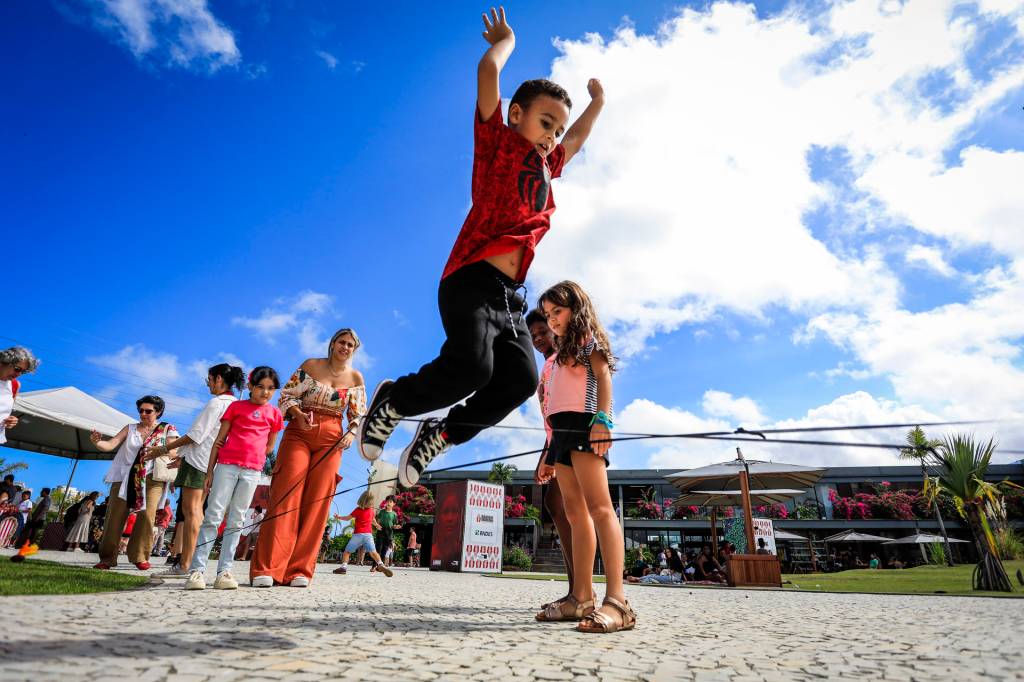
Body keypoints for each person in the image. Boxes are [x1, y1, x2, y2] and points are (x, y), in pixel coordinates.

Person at [358, 7, 605, 491]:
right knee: (472, 366)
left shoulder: (548, 163)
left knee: (516, 380)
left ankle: (441, 433)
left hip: (510, 296)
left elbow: (576, 139)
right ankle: (394, 401)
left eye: (556, 128)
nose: (552, 135)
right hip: (469, 278)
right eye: (545, 122)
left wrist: (598, 102)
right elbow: (488, 72)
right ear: (517, 115)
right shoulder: (499, 142)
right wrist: (505, 42)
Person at [533, 281, 633, 634]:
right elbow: (551, 404)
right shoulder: (558, 353)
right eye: (547, 315)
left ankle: (618, 601)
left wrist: (603, 419)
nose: (552, 320)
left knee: (601, 509)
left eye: (557, 312)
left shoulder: (586, 338)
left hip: (585, 425)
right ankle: (580, 598)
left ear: (576, 308)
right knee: (576, 515)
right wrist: (548, 453)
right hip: (559, 435)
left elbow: (603, 375)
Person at [251, 329, 366, 588]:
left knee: (318, 502)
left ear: (354, 349)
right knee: (285, 495)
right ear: (333, 344)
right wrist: (296, 413)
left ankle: (299, 570)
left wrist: (352, 432)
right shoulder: (311, 365)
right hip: (300, 431)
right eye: (341, 342)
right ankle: (268, 568)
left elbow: (358, 413)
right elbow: (288, 395)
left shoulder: (356, 377)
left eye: (350, 344)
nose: (345, 347)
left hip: (333, 438)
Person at [187, 367, 283, 591]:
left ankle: (225, 571)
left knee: (237, 520)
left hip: (252, 472)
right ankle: (197, 571)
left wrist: (256, 456)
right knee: (213, 516)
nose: (265, 392)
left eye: (270, 389)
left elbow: (270, 447)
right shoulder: (235, 407)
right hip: (227, 467)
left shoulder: (275, 414)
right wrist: (210, 471)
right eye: (260, 387)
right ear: (250, 386)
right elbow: (219, 440)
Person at [145, 363, 243, 578]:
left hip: (199, 462)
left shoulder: (216, 403)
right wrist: (182, 457)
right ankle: (191, 562)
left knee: (192, 513)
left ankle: (186, 564)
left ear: (218, 379)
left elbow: (196, 435)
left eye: (209, 379)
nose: (208, 384)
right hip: (214, 462)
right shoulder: (236, 404)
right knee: (199, 512)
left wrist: (162, 449)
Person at [527, 308, 579, 620]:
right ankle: (575, 589)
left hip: (572, 441)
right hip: (556, 441)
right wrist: (544, 456)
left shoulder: (563, 360)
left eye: (542, 332)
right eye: (532, 336)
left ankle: (579, 591)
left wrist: (551, 454)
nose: (537, 339)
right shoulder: (548, 366)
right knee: (556, 505)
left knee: (566, 508)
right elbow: (549, 421)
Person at [90, 395, 179, 570]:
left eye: (148, 411)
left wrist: (168, 455)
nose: (143, 414)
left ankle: (140, 556)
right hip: (125, 477)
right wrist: (97, 442)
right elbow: (110, 445)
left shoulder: (167, 429)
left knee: (146, 517)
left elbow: (173, 451)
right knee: (115, 516)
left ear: (158, 412)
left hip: (152, 478)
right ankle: (107, 558)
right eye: (141, 411)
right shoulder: (130, 428)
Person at [332, 491, 393, 577]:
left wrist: (338, 517)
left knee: (347, 551)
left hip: (358, 534)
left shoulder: (358, 510)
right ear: (371, 501)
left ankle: (343, 567)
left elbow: (347, 518)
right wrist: (377, 525)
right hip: (368, 535)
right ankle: (381, 564)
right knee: (373, 552)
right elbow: (373, 521)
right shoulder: (371, 511)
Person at [0, 346, 39, 447]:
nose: (18, 374)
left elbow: (4, 412)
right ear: (3, 361)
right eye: (17, 369)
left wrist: (11, 420)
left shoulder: (15, 385)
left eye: (23, 372)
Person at [375, 496, 400, 568]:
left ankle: (380, 567)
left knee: (384, 551)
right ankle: (374, 565)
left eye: (390, 502)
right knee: (378, 550)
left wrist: (396, 526)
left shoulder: (394, 514)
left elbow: (394, 525)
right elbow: (378, 522)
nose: (388, 503)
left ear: (394, 504)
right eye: (388, 501)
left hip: (389, 533)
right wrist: (377, 526)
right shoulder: (381, 512)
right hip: (380, 532)